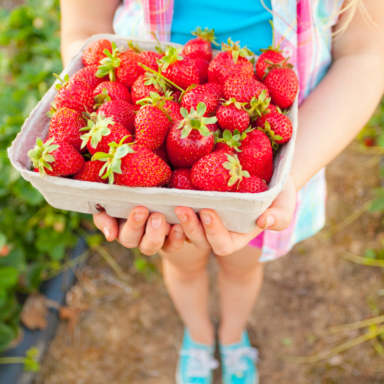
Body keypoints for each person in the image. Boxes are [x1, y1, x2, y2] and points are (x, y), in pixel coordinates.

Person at [60, 1, 384, 383]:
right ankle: (198, 336)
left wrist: (286, 178)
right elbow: (85, 32)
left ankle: (231, 336)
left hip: (269, 147)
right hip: (154, 125)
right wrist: (112, 157)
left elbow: (366, 52)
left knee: (243, 267)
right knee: (181, 263)